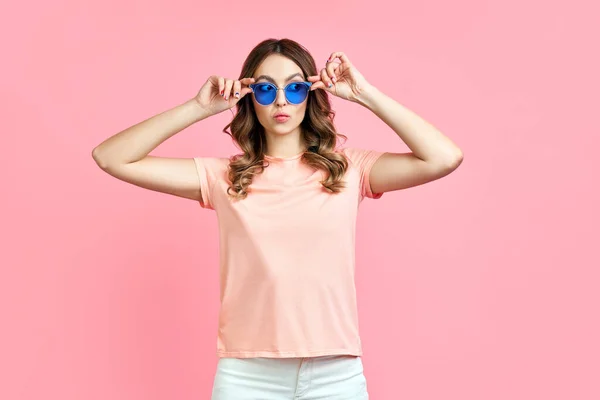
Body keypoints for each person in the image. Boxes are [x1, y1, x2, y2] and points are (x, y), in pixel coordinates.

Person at [92, 38, 463, 399]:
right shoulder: (225, 176)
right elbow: (112, 157)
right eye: (266, 90)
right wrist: (199, 108)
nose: (281, 101)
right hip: (248, 375)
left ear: (311, 96)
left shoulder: (349, 170)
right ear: (250, 98)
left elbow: (443, 157)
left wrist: (365, 94)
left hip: (335, 372)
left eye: (296, 88)